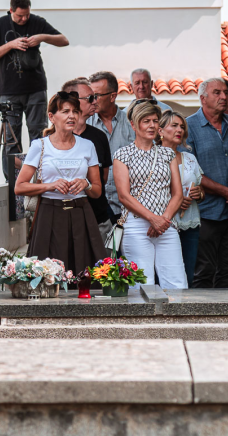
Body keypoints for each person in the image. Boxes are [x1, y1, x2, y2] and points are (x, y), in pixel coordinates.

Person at [15, 91, 104, 276]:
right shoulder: (39, 145)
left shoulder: (87, 145)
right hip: (49, 213)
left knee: (84, 274)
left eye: (75, 111)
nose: (71, 116)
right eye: (65, 111)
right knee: (47, 275)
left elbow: (97, 191)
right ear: (51, 117)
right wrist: (50, 185)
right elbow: (20, 186)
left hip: (81, 214)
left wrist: (85, 184)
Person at [0, 0, 70, 180]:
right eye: (19, 16)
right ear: (11, 11)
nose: (23, 20)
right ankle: (14, 185)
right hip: (9, 91)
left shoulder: (37, 22)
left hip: (36, 89)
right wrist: (11, 45)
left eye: (26, 16)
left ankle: (40, 180)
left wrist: (42, 37)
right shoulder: (0, 24)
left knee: (39, 136)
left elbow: (64, 40)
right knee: (11, 140)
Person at [113, 101, 187, 288]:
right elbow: (124, 196)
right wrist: (153, 219)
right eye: (146, 121)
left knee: (176, 282)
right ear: (134, 124)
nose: (152, 125)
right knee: (140, 284)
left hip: (167, 224)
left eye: (155, 121)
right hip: (136, 226)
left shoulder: (167, 154)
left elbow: (177, 194)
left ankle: (177, 318)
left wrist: (163, 220)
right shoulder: (122, 155)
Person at [185, 78, 228, 288]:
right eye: (217, 92)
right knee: (203, 272)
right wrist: (227, 192)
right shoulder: (189, 126)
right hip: (205, 212)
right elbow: (191, 171)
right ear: (203, 98)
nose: (224, 97)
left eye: (226, 92)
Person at [62, 77, 115, 247]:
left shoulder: (99, 137)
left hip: (98, 218)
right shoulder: (53, 139)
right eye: (90, 98)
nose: (95, 101)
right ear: (73, 101)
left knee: (102, 271)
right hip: (66, 220)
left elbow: (103, 177)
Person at [159, 111, 205, 287]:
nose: (180, 129)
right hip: (164, 224)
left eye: (182, 126)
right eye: (174, 125)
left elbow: (201, 190)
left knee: (188, 274)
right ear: (160, 130)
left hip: (189, 224)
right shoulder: (153, 157)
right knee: (164, 274)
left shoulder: (190, 158)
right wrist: (176, 200)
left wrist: (198, 194)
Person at [87, 71, 135, 224]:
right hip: (96, 210)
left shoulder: (132, 125)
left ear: (113, 96)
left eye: (97, 96)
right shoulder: (85, 126)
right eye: (90, 96)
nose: (92, 101)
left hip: (129, 209)